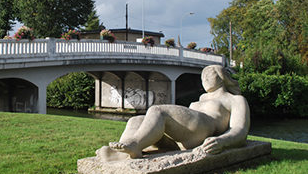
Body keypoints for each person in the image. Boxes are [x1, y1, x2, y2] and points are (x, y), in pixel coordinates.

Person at [97, 65, 250, 161]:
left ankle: (135, 144)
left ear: (221, 76)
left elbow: (240, 130)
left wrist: (222, 142)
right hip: (180, 139)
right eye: (202, 76)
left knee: (158, 111)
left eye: (209, 74)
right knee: (135, 121)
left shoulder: (235, 99)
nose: (204, 78)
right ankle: (125, 151)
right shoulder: (201, 98)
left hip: (201, 133)